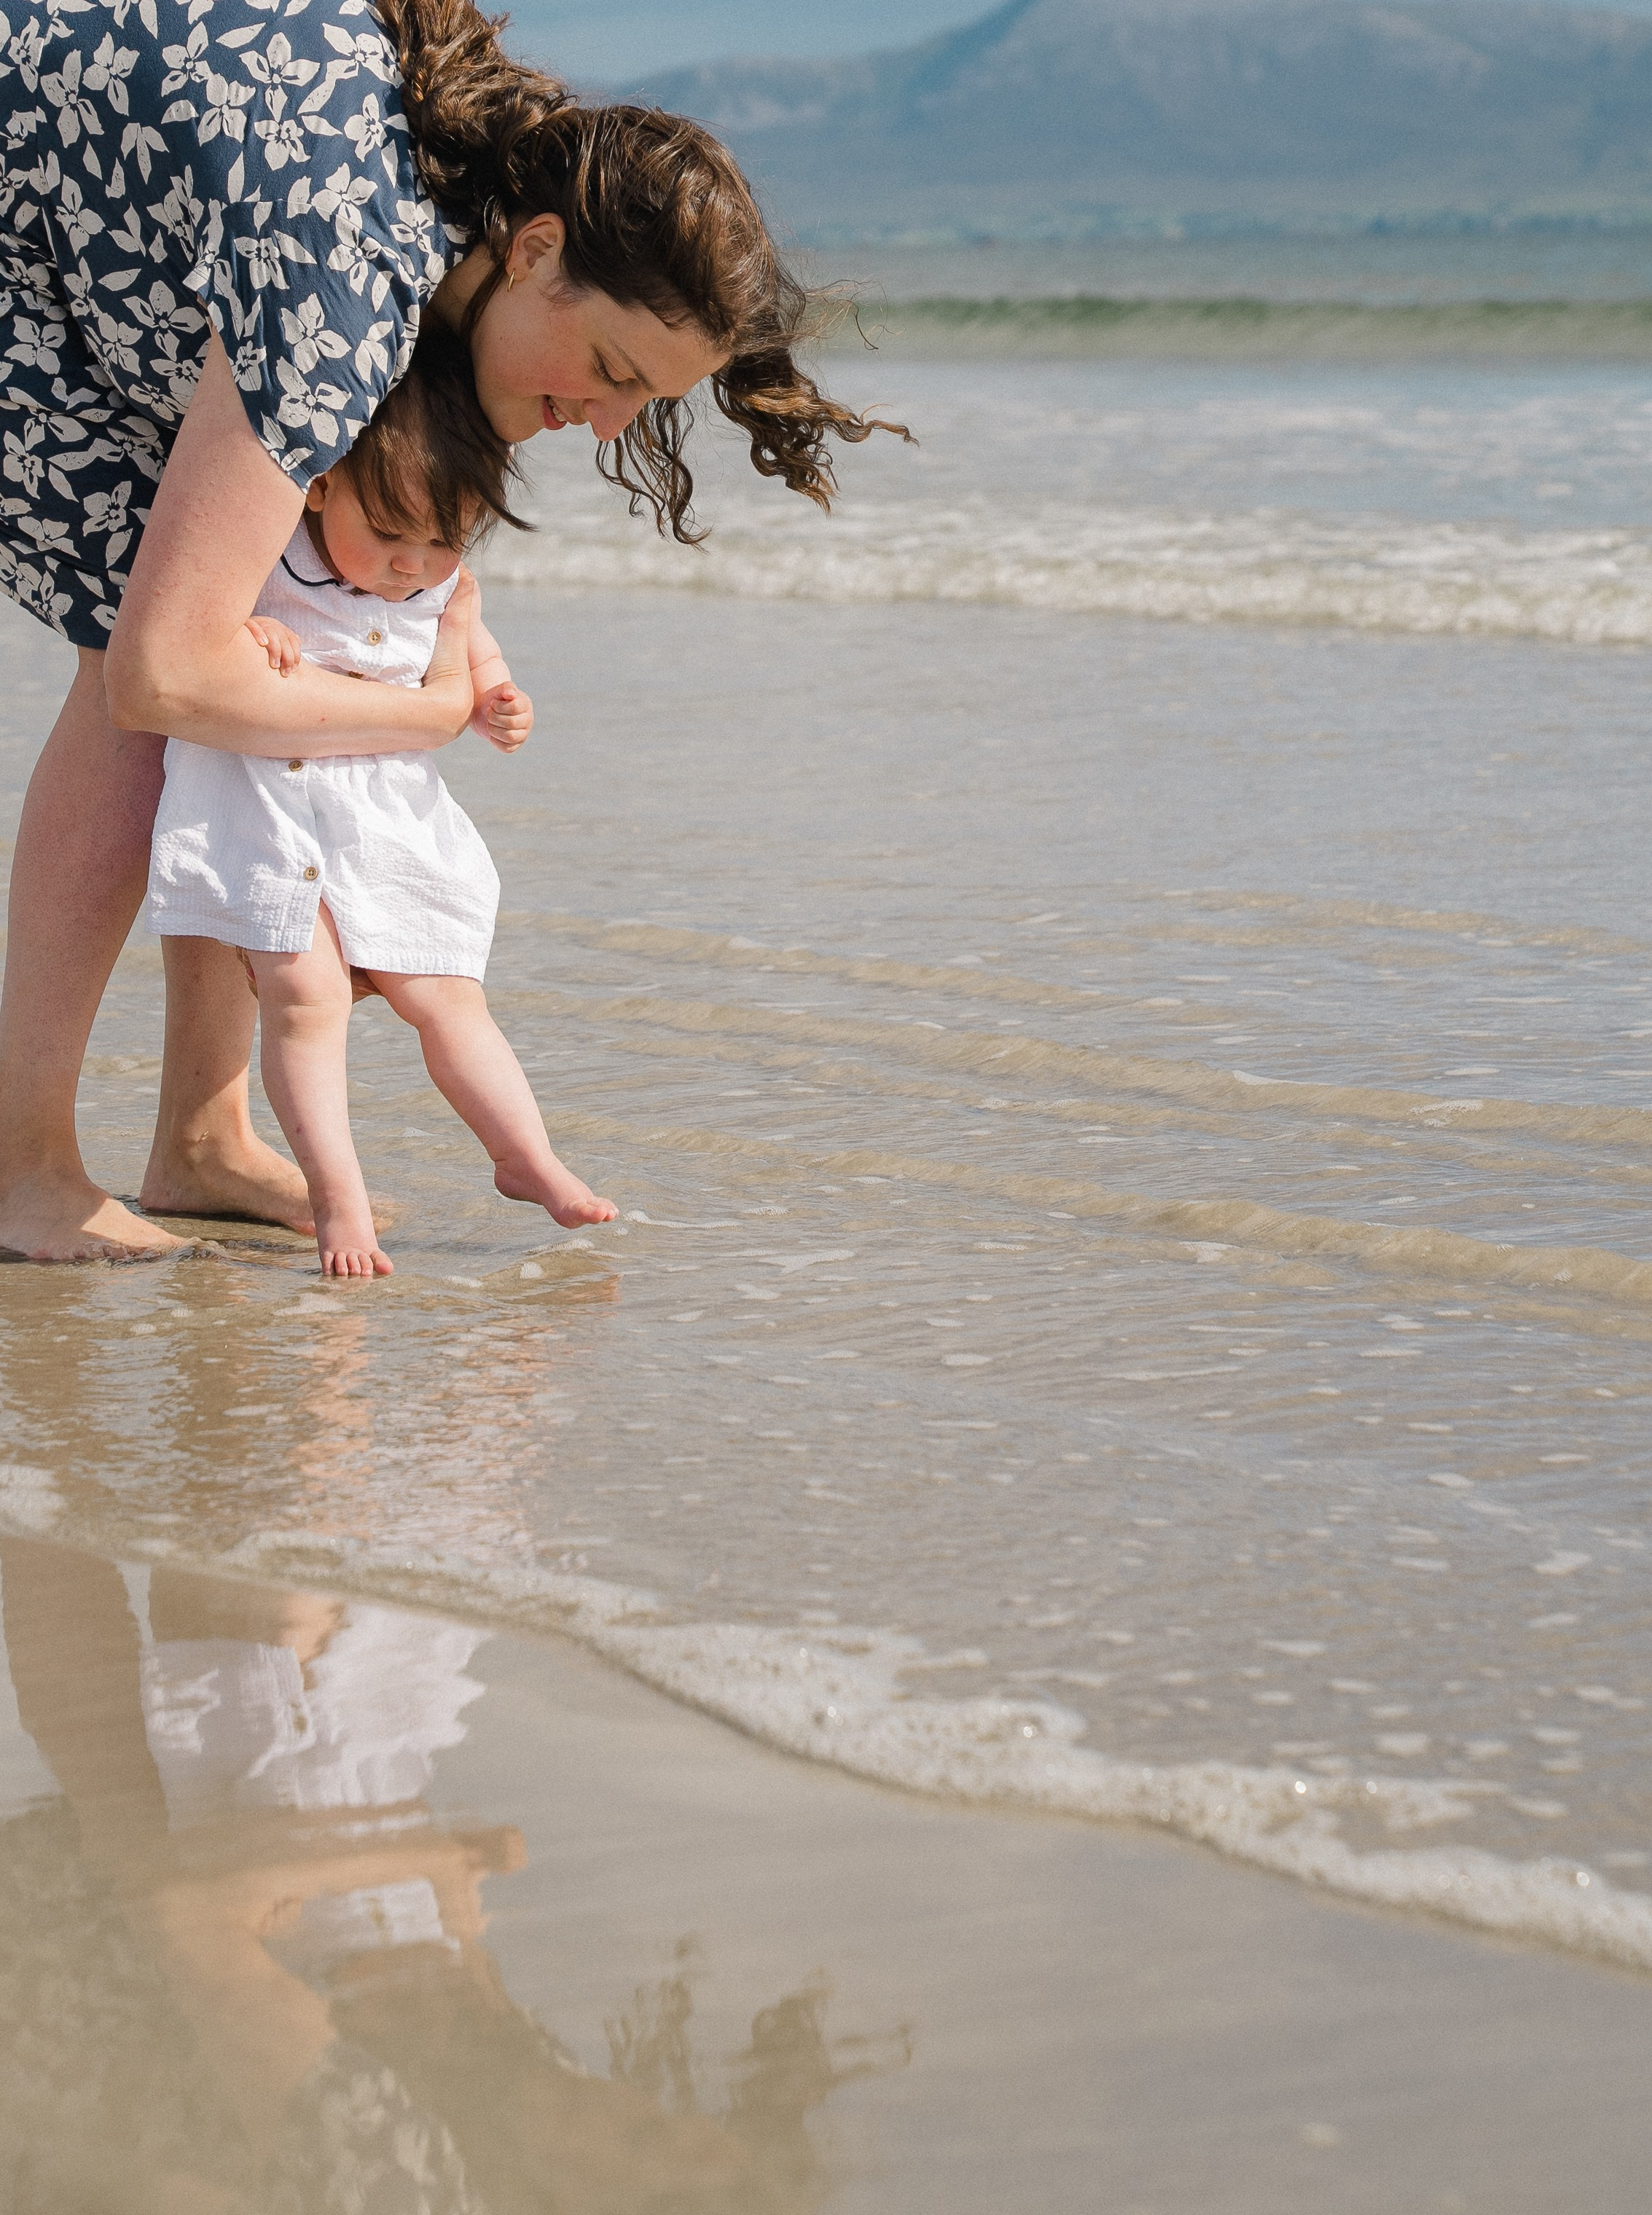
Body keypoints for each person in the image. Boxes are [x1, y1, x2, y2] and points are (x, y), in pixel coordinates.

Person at [0, 0, 903, 1261]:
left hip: (99, 199)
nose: (604, 425)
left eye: (645, 401)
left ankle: (200, 1144)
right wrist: (425, 714)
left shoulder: (441, 200)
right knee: (144, 649)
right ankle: (22, 1168)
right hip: (29, 216)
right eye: (615, 369)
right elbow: (162, 679)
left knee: (245, 619)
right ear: (537, 250)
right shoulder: (349, 290)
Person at [148, 323, 616, 1274]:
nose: (411, 564)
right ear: (320, 486)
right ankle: (337, 1198)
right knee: (304, 995)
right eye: (391, 534)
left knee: (447, 992)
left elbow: (473, 663)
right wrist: (252, 633)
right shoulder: (272, 550)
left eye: (442, 541)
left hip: (381, 815)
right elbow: (199, 622)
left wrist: (495, 698)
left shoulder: (446, 591)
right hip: (263, 802)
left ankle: (527, 1159)